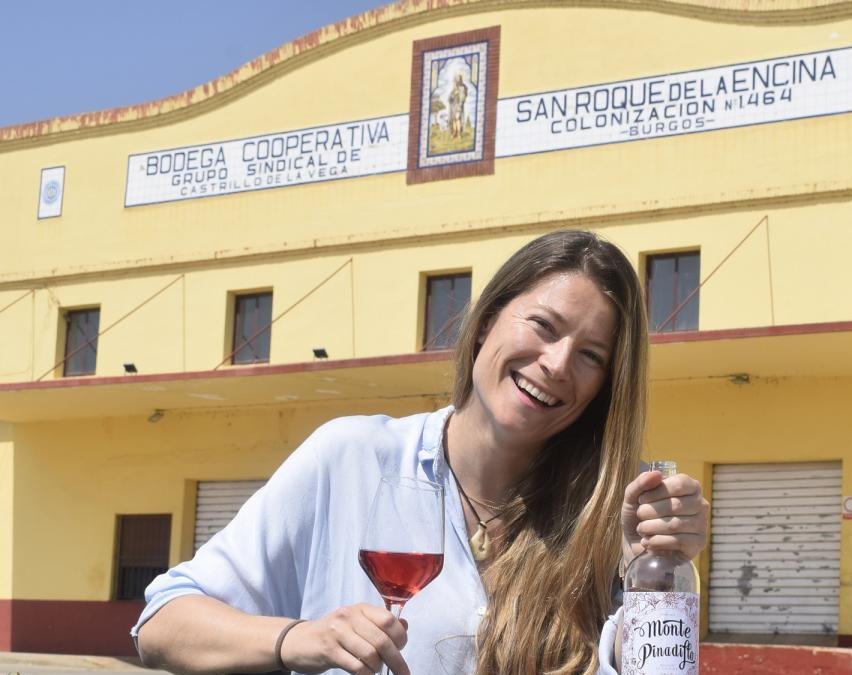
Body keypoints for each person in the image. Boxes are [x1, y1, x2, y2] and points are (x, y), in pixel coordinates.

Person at [132, 230, 710, 675]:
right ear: (485, 322)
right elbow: (163, 621)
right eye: (543, 325)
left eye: (591, 356)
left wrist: (650, 580)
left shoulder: (620, 510)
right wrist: (297, 639)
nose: (557, 364)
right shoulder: (354, 458)